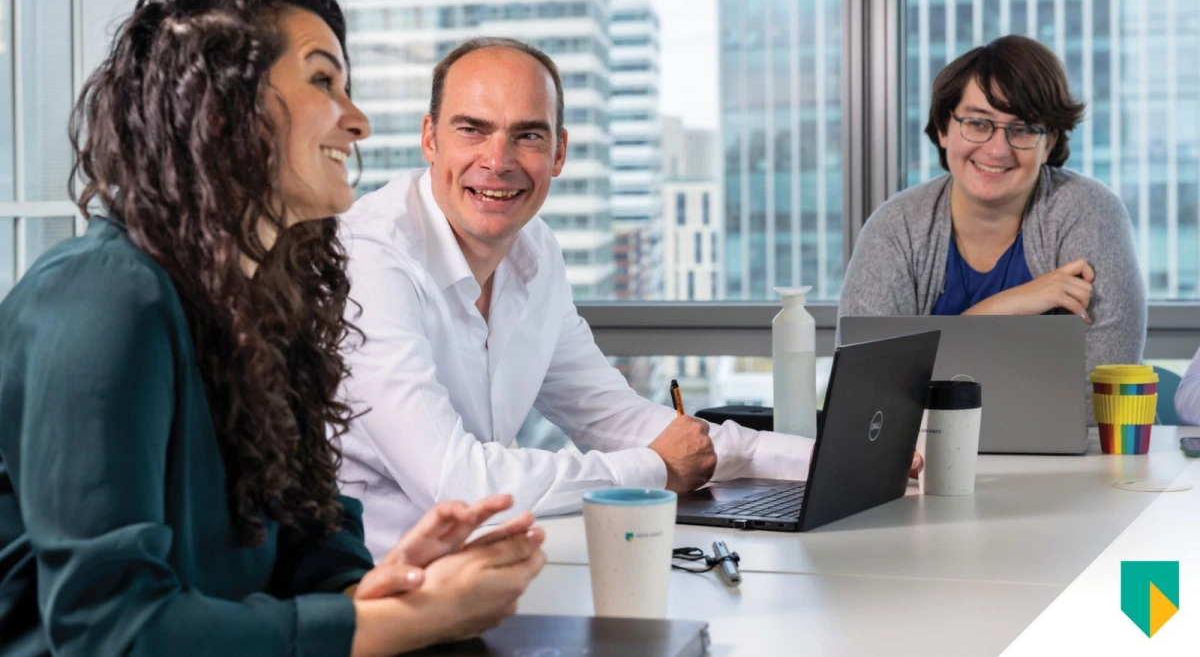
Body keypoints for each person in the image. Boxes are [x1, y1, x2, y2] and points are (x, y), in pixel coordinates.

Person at [0, 0, 544, 655]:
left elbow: (309, 536)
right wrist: (400, 621)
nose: (358, 122)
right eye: (322, 81)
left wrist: (378, 587)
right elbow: (109, 631)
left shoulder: (267, 311)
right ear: (222, 108)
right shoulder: (102, 298)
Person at [337, 36, 907, 559]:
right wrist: (654, 469)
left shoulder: (535, 253)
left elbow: (614, 417)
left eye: (528, 135)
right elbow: (454, 483)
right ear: (430, 138)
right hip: (366, 589)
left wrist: (832, 461)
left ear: (558, 152)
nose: (498, 160)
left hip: (476, 570)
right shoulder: (370, 258)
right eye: (472, 130)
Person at [839, 35, 1146, 417]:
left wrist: (933, 371)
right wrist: (1001, 308)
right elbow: (871, 396)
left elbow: (1102, 396)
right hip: (923, 454)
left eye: (1023, 129)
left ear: (1049, 142)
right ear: (944, 129)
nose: (998, 149)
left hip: (1077, 453)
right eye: (977, 123)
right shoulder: (895, 227)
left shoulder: (1089, 213)